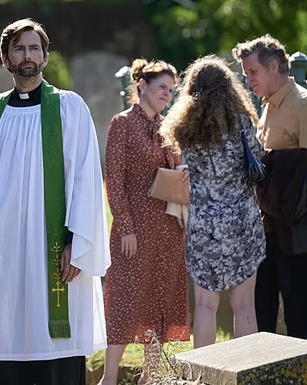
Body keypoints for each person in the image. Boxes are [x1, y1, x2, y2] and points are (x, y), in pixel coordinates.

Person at [0, 18, 110, 385]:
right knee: (2, 333)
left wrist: (75, 243)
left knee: (53, 346)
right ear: (6, 58)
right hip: (1, 248)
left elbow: (85, 179)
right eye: (19, 48)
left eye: (34, 48)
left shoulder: (69, 109)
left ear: (45, 57)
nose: (27, 55)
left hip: (54, 253)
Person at [160, 55, 266, 348]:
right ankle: (248, 373)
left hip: (203, 223)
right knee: (244, 305)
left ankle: (204, 375)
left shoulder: (185, 128)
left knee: (205, 305)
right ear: (229, 88)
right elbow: (259, 156)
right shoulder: (241, 123)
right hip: (242, 221)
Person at [100, 58, 189, 385]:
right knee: (124, 301)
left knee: (159, 301)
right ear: (141, 86)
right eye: (161, 87)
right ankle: (109, 378)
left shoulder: (168, 126)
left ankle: (150, 377)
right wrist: (124, 226)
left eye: (171, 89)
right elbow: (115, 177)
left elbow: (174, 169)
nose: (167, 94)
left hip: (167, 229)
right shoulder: (122, 123)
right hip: (133, 230)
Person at [233, 35, 307, 340]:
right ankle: (264, 366)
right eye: (245, 73)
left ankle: (303, 367)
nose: (248, 79)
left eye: (252, 72)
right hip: (266, 219)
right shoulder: (267, 106)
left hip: (295, 221)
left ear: (274, 67)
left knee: (296, 297)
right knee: (263, 298)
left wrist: (274, 165)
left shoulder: (304, 105)